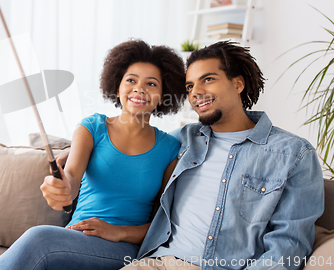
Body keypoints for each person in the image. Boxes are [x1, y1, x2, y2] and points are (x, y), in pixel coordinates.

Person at [121, 41, 325, 270]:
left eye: (208, 79)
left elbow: (288, 245)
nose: (196, 93)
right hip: (155, 263)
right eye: (189, 86)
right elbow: (124, 150)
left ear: (238, 83)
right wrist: (72, 157)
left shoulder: (293, 154)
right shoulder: (182, 139)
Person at [0, 39, 187, 270]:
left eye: (151, 84)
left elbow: (163, 224)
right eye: (131, 80)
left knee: (39, 239)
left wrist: (117, 231)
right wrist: (61, 189)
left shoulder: (170, 148)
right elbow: (71, 178)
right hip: (74, 238)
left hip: (124, 247)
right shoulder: (92, 128)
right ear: (117, 85)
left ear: (164, 94)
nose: (139, 88)